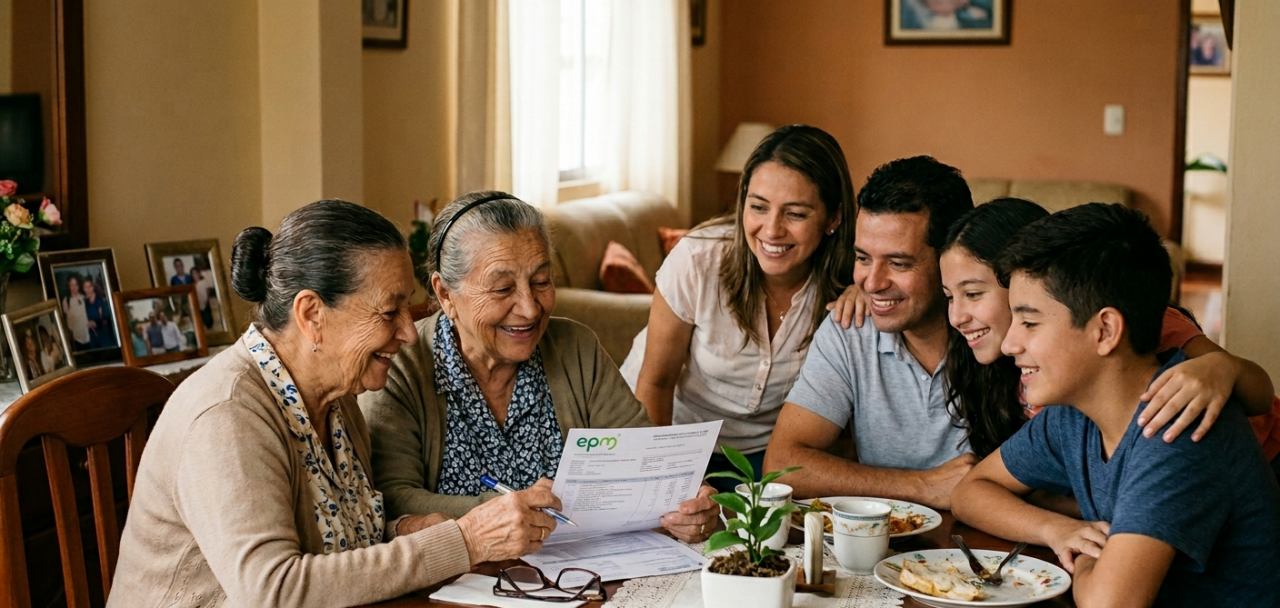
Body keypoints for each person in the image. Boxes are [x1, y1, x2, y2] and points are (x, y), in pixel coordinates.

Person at [109, 200, 562, 607]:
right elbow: (273, 590)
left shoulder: (339, 398)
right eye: (389, 312)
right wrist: (463, 541)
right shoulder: (227, 415)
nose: (408, 332)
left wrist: (402, 530)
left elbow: (337, 539)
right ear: (311, 315)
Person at [951, 203, 1280, 607]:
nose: (1009, 344)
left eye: (1030, 322)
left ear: (1105, 330)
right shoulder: (1071, 413)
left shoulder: (1176, 423)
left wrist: (1090, 560)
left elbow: (1111, 604)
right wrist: (1058, 529)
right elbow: (970, 493)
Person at [358, 191, 719, 542]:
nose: (530, 309)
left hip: (578, 576)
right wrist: (500, 512)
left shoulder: (577, 348)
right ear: (445, 294)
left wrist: (687, 502)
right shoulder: (402, 363)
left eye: (541, 282)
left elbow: (643, 462)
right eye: (502, 289)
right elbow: (391, 499)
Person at [940, 198, 1278, 459]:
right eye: (948, 297)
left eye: (972, 294)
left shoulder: (1144, 327)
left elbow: (1260, 395)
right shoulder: (996, 364)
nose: (956, 316)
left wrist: (1221, 367)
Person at [619, 125, 856, 489]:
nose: (771, 230)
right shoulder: (698, 260)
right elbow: (657, 381)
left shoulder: (848, 284)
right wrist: (659, 484)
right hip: (668, 436)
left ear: (833, 218)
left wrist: (869, 296)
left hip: (765, 457)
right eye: (758, 207)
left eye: (795, 214)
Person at [763, 156, 976, 510]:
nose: (872, 283)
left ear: (952, 258)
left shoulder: (1001, 332)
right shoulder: (851, 327)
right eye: (863, 258)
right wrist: (922, 487)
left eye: (898, 263)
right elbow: (783, 466)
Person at [61, 275, 90, 350]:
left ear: (79, 286)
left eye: (76, 285)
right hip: (76, 339)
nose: (74, 288)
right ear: (68, 286)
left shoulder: (84, 298)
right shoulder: (66, 301)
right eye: (71, 285)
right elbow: (67, 319)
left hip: (88, 336)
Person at [83, 279, 113, 349]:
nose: (88, 289)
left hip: (104, 336)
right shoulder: (84, 302)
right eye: (85, 287)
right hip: (92, 337)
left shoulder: (101, 300)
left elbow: (107, 319)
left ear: (93, 287)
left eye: (90, 286)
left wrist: (96, 323)